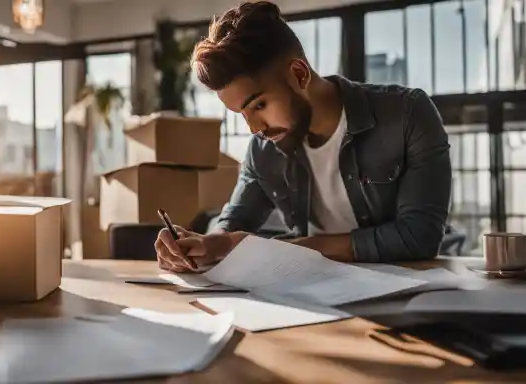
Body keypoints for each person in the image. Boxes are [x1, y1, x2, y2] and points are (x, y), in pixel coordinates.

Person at [155, 1, 451, 273]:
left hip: (403, 290)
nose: (255, 128)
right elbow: (234, 223)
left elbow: (419, 236)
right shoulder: (263, 151)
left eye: (259, 105)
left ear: (299, 74)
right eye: (242, 114)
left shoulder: (406, 115)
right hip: (310, 291)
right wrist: (206, 245)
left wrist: (278, 248)